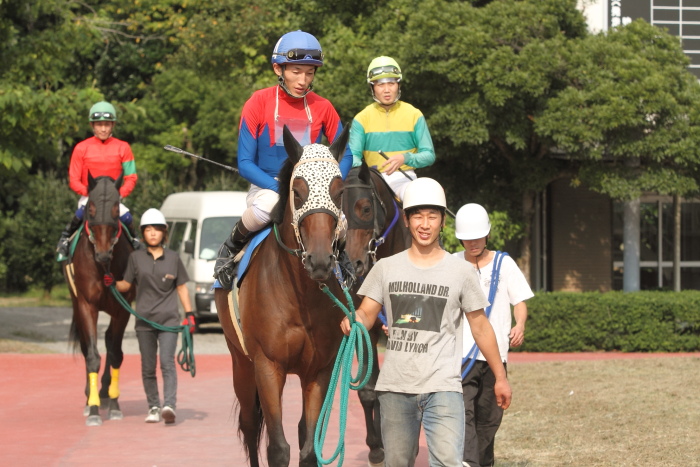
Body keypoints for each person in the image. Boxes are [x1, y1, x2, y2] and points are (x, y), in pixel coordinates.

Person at [339, 178, 511, 467]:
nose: (425, 223)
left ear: (443, 222)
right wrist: (353, 320)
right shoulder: (385, 268)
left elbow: (480, 326)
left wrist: (501, 378)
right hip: (395, 390)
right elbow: (367, 312)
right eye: (417, 215)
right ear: (406, 220)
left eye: (432, 216)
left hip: (443, 388)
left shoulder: (461, 272)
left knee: (447, 462)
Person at [214, 30, 352, 288]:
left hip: (312, 189)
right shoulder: (257, 102)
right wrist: (280, 187)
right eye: (295, 71)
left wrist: (330, 184)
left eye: (310, 72)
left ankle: (342, 258)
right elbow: (244, 163)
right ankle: (230, 247)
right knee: (267, 207)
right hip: (269, 185)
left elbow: (348, 154)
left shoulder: (323, 106)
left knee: (341, 221)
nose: (303, 79)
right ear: (279, 68)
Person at [453, 203, 532, 467]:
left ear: (487, 234)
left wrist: (519, 324)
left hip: (495, 356)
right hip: (460, 356)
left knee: (489, 420)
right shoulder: (451, 263)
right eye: (467, 237)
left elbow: (519, 300)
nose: (473, 242)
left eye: (477, 236)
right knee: (462, 415)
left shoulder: (504, 263)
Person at [116, 208, 194, 425]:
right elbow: (126, 285)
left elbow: (181, 289)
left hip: (169, 322)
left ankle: (169, 405)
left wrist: (189, 315)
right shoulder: (135, 258)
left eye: (156, 230)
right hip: (144, 322)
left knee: (167, 364)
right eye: (148, 230)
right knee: (148, 367)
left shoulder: (174, 258)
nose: (152, 234)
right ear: (143, 233)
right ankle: (153, 406)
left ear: (164, 233)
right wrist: (111, 283)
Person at [56, 101, 141, 258]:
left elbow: (131, 177)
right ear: (92, 125)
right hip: (90, 197)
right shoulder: (81, 148)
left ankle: (136, 242)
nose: (103, 129)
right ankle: (65, 239)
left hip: (113, 199)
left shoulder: (123, 147)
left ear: (113, 125)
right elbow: (73, 180)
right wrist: (88, 192)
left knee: (127, 217)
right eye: (99, 124)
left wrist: (120, 194)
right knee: (80, 214)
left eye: (107, 124)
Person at [348, 56, 436, 201]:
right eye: (380, 85)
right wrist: (364, 171)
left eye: (391, 83)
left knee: (419, 197)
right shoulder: (361, 118)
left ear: (398, 85)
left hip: (404, 178)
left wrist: (405, 158)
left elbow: (429, 155)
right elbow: (353, 156)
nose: (387, 90)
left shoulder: (414, 114)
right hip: (372, 180)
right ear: (372, 88)